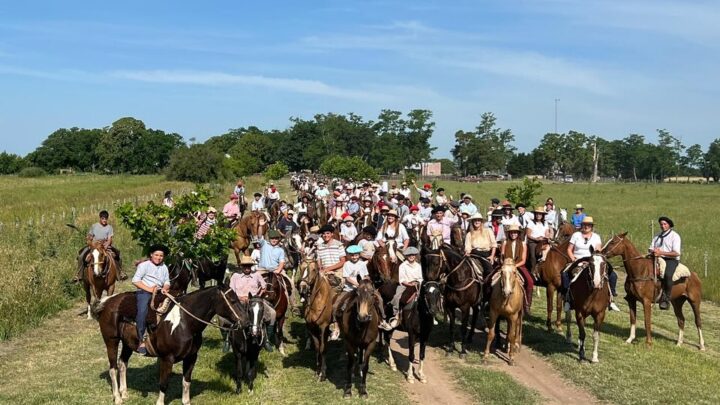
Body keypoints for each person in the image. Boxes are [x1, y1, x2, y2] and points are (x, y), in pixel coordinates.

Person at [330, 245, 392, 340]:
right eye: (352, 255)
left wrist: (366, 281)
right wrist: (357, 283)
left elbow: (366, 275)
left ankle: (382, 319)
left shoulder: (362, 264)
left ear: (359, 255)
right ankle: (336, 326)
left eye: (356, 255)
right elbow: (347, 277)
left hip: (364, 289)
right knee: (336, 304)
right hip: (349, 289)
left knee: (379, 298)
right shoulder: (347, 264)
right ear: (349, 256)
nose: (355, 257)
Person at [564, 217, 620, 311]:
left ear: (592, 227)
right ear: (582, 225)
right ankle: (568, 299)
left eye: (588, 225)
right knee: (564, 274)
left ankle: (611, 299)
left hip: (593, 261)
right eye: (585, 224)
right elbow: (569, 249)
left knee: (613, 275)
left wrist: (595, 259)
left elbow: (598, 250)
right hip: (578, 260)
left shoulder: (596, 237)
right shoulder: (576, 235)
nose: (586, 226)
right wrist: (573, 259)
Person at [228, 255, 276, 352]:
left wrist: (258, 296)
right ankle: (228, 340)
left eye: (249, 266)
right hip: (239, 301)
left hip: (255, 301)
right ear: (241, 266)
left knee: (272, 313)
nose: (247, 268)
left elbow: (264, 287)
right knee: (223, 319)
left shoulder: (257, 275)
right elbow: (231, 291)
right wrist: (240, 297)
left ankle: (266, 340)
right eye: (245, 266)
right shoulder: (235, 276)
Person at [132, 244, 170, 355]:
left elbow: (167, 281)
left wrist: (165, 288)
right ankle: (141, 340)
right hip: (144, 292)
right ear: (151, 255)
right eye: (156, 255)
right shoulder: (144, 265)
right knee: (142, 312)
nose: (159, 257)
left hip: (159, 292)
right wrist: (149, 289)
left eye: (161, 256)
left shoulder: (164, 267)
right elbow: (135, 281)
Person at [76, 210, 126, 282]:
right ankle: (79, 275)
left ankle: (120, 273)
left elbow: (110, 239)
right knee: (81, 256)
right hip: (94, 245)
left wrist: (107, 244)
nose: (104, 220)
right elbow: (90, 236)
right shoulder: (94, 226)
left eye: (106, 219)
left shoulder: (109, 227)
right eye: (103, 218)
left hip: (104, 245)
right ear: (100, 218)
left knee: (118, 256)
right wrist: (89, 239)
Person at [649, 216, 682, 310]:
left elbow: (676, 253)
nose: (662, 226)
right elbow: (650, 247)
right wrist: (653, 251)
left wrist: (661, 252)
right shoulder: (657, 236)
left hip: (671, 259)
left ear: (669, 225)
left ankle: (666, 299)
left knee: (667, 275)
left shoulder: (675, 236)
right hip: (657, 257)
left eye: (664, 224)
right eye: (661, 224)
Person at [500, 224, 534, 311]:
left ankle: (527, 305)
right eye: (511, 232)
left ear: (518, 234)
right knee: (491, 279)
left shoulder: (523, 244)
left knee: (530, 282)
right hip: (506, 266)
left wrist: (514, 266)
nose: (513, 234)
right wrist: (505, 265)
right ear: (509, 233)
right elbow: (502, 256)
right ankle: (489, 301)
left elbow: (523, 260)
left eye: (515, 232)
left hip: (519, 266)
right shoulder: (505, 242)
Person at [388, 247, 423, 329]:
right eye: (409, 255)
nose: (411, 256)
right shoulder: (403, 266)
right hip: (405, 285)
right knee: (397, 297)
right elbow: (402, 279)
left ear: (415, 256)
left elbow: (420, 277)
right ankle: (396, 316)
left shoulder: (418, 266)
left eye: (413, 255)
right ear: (406, 256)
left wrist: (417, 282)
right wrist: (408, 284)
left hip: (417, 284)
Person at [464, 213, 495, 277]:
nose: (477, 222)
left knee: (489, 271)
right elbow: (468, 246)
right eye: (475, 220)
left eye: (478, 220)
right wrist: (467, 252)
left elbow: (493, 244)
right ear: (472, 222)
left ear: (481, 222)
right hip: (474, 254)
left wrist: (492, 256)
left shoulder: (488, 231)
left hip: (486, 254)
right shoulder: (469, 234)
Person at [525, 206, 551, 276]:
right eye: (537, 214)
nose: (538, 215)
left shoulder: (545, 223)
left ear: (543, 215)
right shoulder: (531, 222)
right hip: (533, 241)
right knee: (533, 256)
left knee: (551, 250)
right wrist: (536, 239)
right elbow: (528, 234)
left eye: (540, 214)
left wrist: (547, 236)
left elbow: (546, 232)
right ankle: (533, 271)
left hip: (543, 240)